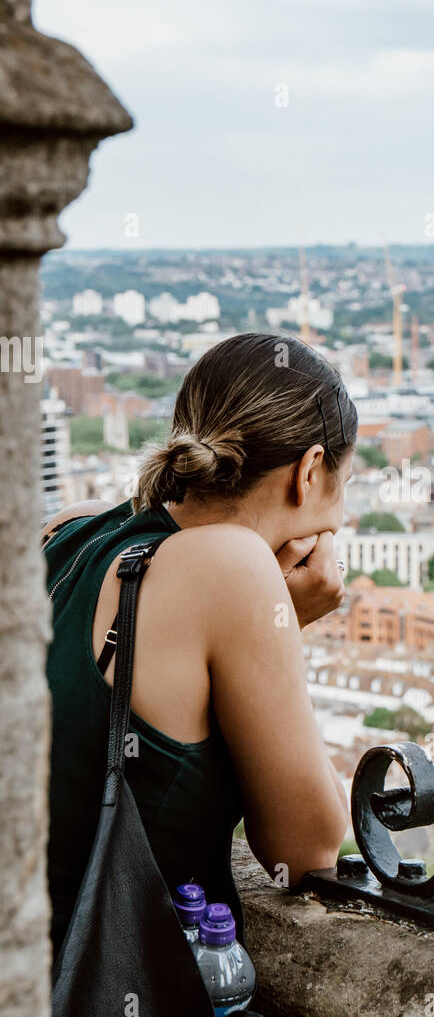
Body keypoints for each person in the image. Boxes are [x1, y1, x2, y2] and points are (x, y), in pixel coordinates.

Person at [42, 333, 355, 958]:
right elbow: (305, 851)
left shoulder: (71, 530)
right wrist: (284, 622)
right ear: (310, 470)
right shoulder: (232, 568)